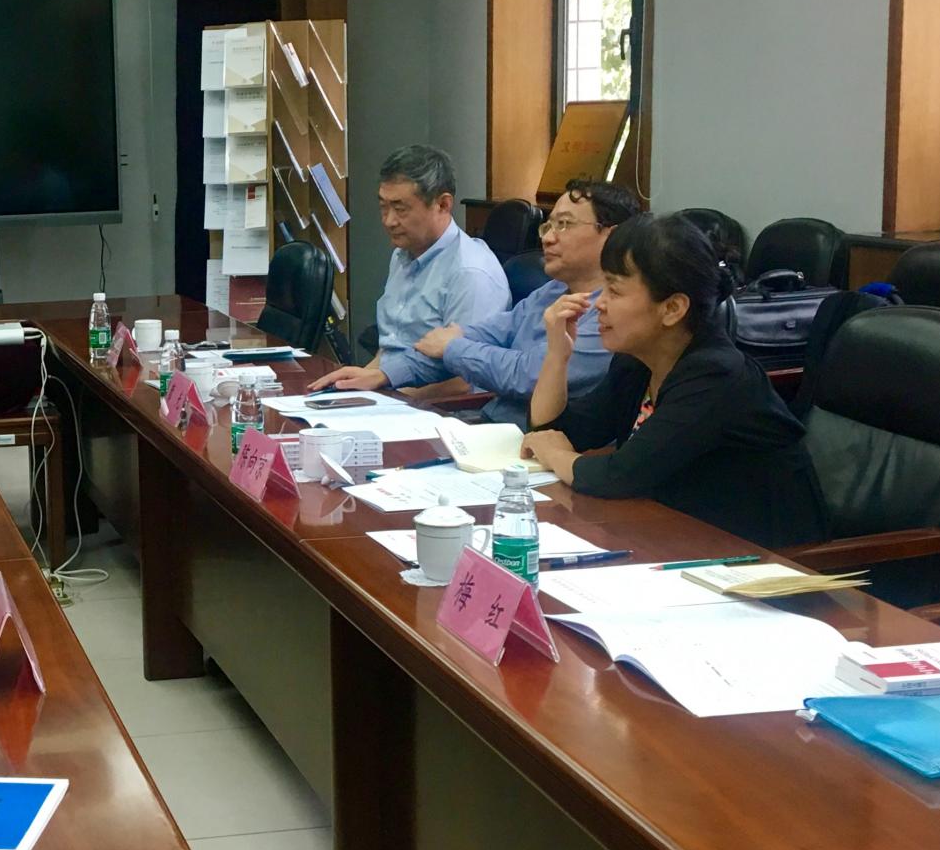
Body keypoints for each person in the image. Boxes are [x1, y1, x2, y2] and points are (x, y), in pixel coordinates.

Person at [521, 212, 829, 550]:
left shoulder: (717, 375)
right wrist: (557, 354)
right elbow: (553, 432)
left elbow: (618, 476)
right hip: (681, 533)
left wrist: (554, 454)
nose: (599, 305)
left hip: (769, 558)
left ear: (672, 308)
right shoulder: (637, 361)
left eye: (615, 290)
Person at [374, 180, 640, 427]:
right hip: (488, 425)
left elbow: (529, 374)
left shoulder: (610, 312)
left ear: (611, 236)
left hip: (533, 443)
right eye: (548, 226)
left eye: (564, 225)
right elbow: (479, 335)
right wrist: (385, 375)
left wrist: (452, 347)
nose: (547, 238)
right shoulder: (552, 291)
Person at [308, 144, 508, 393]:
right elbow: (391, 347)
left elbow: (464, 381)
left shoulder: (470, 273)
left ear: (443, 205)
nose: (389, 221)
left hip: (443, 408)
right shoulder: (403, 255)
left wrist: (385, 396)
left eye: (400, 209)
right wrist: (354, 385)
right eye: (383, 207)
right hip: (393, 393)